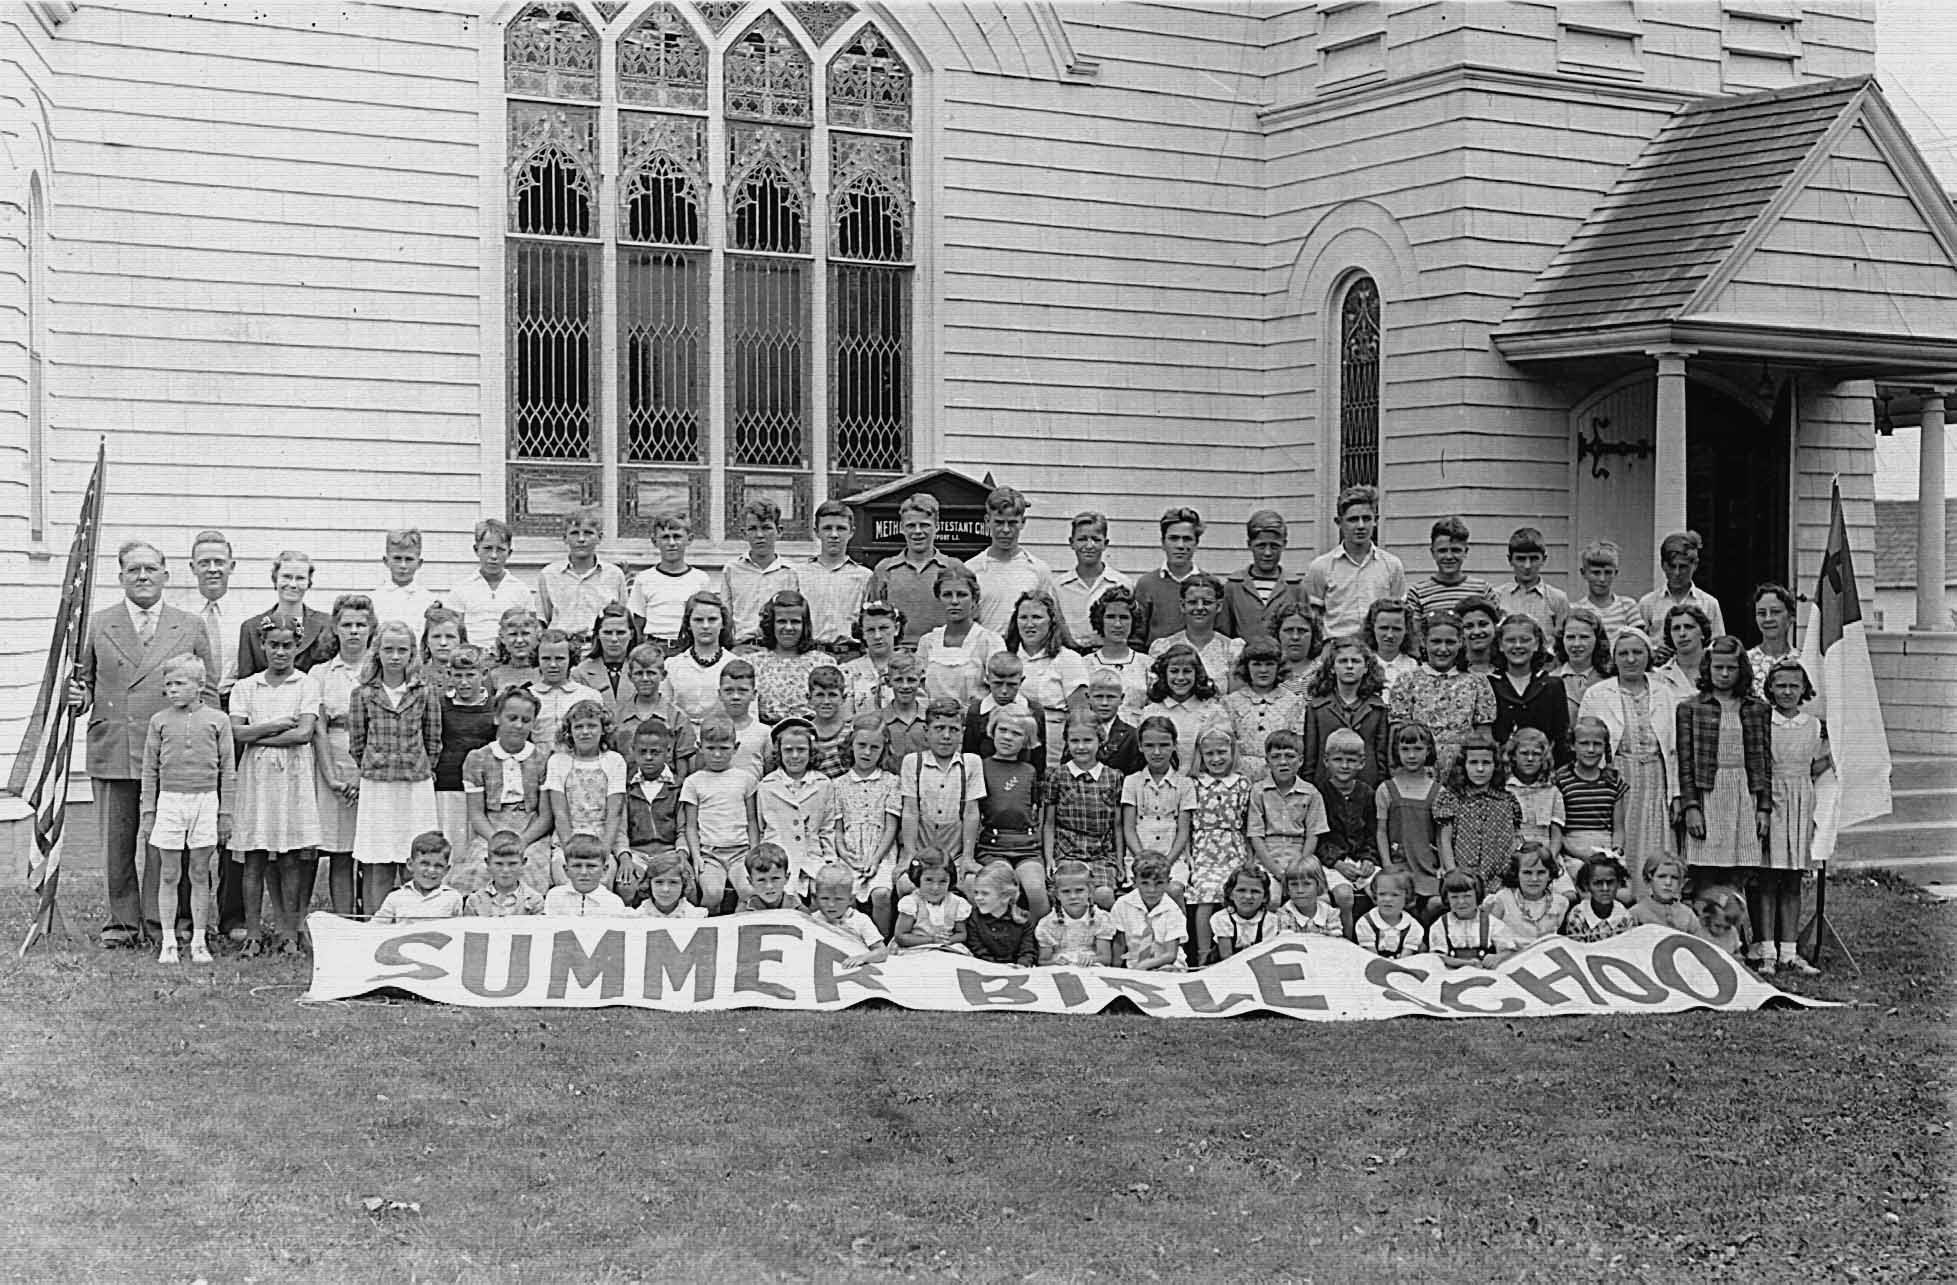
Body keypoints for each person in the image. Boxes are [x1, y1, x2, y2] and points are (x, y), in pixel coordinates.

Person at [73, 539, 219, 948]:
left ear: (165, 575)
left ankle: (163, 923)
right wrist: (79, 697)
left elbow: (208, 693)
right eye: (133, 570)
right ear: (120, 577)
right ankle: (121, 925)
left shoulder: (189, 625)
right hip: (115, 747)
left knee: (166, 841)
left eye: (150, 569)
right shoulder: (98, 623)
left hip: (172, 753)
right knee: (117, 845)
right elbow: (85, 683)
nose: (142, 576)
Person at [229, 619, 323, 956]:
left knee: (290, 857)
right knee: (254, 857)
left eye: (287, 645)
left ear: (297, 647)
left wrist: (258, 735)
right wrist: (277, 725)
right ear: (263, 646)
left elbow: (304, 734)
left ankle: (288, 932)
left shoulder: (306, 684)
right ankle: (253, 933)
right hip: (256, 777)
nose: (280, 652)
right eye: (273, 645)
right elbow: (237, 733)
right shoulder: (246, 687)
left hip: (293, 777)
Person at [139, 655, 234, 964]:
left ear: (200, 685)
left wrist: (225, 813)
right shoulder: (159, 721)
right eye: (168, 684)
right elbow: (149, 770)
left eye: (179, 683)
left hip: (205, 800)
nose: (172, 690)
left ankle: (199, 940)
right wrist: (149, 812)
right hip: (170, 800)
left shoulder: (218, 720)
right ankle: (168, 940)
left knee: (199, 871)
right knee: (169, 872)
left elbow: (228, 770)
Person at [347, 619, 443, 907]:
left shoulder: (423, 691)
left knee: (415, 855)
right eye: (388, 649)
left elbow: (433, 737)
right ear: (377, 652)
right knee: (378, 860)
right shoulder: (363, 693)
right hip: (378, 785)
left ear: (412, 653)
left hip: (415, 785)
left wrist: (421, 765)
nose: (395, 656)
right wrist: (375, 763)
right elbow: (357, 741)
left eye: (402, 650)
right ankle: (377, 921)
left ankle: (414, 918)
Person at [1675, 637, 1772, 911]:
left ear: (1742, 670)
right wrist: (1691, 806)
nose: (1725, 674)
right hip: (1709, 793)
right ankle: (1705, 927)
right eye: (1719, 667)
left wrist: (1763, 808)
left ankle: (1733, 929)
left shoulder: (1756, 709)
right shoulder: (1691, 708)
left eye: (1732, 668)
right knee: (1705, 873)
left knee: (1738, 873)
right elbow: (1685, 763)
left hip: (1743, 793)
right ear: (1708, 669)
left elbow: (1764, 761)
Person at [1579, 627, 1680, 875]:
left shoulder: (1665, 693)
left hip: (1656, 779)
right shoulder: (1597, 694)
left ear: (1648, 655)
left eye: (1637, 652)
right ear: (1614, 658)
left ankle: (1652, 893)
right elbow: (1584, 741)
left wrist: (1677, 794)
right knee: (1621, 839)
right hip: (1618, 776)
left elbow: (1675, 747)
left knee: (1656, 842)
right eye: (1623, 653)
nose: (1631, 659)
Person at [1761, 657, 1832, 976]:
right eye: (1781, 685)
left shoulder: (1813, 725)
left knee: (1792, 879)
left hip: (1801, 801)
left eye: (1794, 686)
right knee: (1767, 879)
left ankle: (1789, 951)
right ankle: (1766, 950)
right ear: (1770, 688)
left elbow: (1813, 766)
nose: (1787, 692)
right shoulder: (1764, 721)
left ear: (1804, 689)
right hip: (1771, 800)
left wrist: (1835, 757)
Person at [313, 594, 374, 915]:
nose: (353, 631)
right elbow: (318, 729)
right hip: (334, 764)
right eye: (347, 624)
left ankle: (373, 919)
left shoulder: (380, 671)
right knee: (340, 852)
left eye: (361, 625)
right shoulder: (320, 674)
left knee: (374, 853)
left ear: (371, 629)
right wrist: (332, 777)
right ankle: (344, 921)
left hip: (374, 765)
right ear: (335, 628)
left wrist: (366, 775)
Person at [461, 687, 553, 893]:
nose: (518, 725)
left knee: (530, 867)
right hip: (491, 829)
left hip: (530, 829)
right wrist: (496, 840)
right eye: (512, 718)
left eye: (526, 720)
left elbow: (545, 816)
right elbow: (476, 813)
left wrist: (523, 841)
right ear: (497, 718)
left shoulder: (543, 759)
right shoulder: (478, 758)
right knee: (481, 866)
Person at [1386, 609, 1494, 779]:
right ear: (1424, 641)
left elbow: (1483, 737)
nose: (1443, 649)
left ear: (1460, 642)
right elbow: (1397, 736)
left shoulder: (1477, 682)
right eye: (1436, 641)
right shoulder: (1406, 681)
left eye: (1450, 642)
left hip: (1464, 774)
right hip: (1419, 773)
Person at [1043, 712, 1126, 911]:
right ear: (1066, 742)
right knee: (1069, 898)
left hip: (1100, 856)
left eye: (1087, 740)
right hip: (1067, 854)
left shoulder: (1113, 777)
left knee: (1104, 896)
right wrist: (1049, 859)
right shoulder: (1058, 776)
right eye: (1074, 741)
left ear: (1100, 740)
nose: (1081, 747)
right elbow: (1049, 823)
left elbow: (1117, 825)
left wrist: (1119, 861)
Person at [1302, 484, 1406, 639]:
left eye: (1366, 519)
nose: (1361, 526)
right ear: (1339, 522)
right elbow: (1314, 617)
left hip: (1376, 646)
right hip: (1336, 646)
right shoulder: (1321, 566)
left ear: (1376, 520)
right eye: (1353, 520)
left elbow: (1399, 613)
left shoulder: (1391, 565)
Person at [679, 715, 761, 911]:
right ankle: (708, 924)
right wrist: (696, 856)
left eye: (724, 748)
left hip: (740, 852)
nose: (717, 754)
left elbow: (752, 820)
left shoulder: (746, 779)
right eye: (710, 748)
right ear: (699, 747)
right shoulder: (693, 782)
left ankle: (739, 922)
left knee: (749, 891)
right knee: (712, 892)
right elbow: (691, 826)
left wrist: (754, 851)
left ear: (736, 747)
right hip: (710, 854)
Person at [831, 712, 901, 939]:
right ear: (851, 745)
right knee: (845, 894)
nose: (867, 752)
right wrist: (845, 854)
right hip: (850, 852)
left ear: (883, 750)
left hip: (881, 852)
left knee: (881, 894)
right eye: (861, 745)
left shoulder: (891, 782)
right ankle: (850, 941)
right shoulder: (838, 784)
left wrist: (876, 858)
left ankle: (881, 942)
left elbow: (890, 827)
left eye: (874, 747)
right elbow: (837, 829)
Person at [1186, 727, 1251, 966]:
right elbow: (1186, 825)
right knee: (1205, 891)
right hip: (1203, 849)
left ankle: (1235, 952)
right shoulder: (1195, 783)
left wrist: (1249, 856)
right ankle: (1203, 954)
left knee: (1232, 890)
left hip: (1233, 847)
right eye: (1209, 753)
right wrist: (1188, 855)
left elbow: (1247, 824)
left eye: (1222, 752)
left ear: (1232, 752)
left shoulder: (1242, 783)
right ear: (1201, 755)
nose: (1216, 759)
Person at [545, 699, 628, 881]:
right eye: (578, 727)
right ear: (569, 731)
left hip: (602, 839)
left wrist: (604, 851)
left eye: (591, 726)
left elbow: (614, 814)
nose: (585, 732)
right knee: (564, 877)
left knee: (604, 879)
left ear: (603, 729)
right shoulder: (558, 761)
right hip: (568, 839)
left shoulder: (614, 761)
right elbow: (560, 813)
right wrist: (570, 851)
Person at [756, 716, 838, 896]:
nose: (795, 756)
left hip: (813, 858)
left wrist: (830, 862)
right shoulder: (767, 786)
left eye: (801, 750)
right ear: (779, 752)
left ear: (811, 751)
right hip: (778, 862)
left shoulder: (823, 784)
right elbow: (762, 829)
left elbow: (827, 828)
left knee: (824, 894)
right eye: (788, 750)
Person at [1377, 722, 1449, 923]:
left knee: (1436, 903)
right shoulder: (1386, 789)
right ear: (1396, 751)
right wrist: (1387, 864)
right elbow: (1381, 831)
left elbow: (1441, 834)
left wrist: (1444, 865)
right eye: (1405, 749)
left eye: (1418, 749)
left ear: (1428, 751)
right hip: (1399, 864)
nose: (1411, 755)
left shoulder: (1438, 792)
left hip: (1427, 866)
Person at [965, 485, 1058, 637]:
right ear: (987, 521)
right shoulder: (971, 569)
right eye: (999, 522)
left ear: (1023, 522)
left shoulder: (1039, 569)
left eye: (1012, 523)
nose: (1006, 530)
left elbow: (1051, 618)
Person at [975, 714, 1045, 916]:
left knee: (1035, 889)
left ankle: (1038, 934)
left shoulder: (1029, 771)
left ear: (1026, 740)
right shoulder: (981, 767)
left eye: (1016, 733)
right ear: (993, 731)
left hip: (1027, 847)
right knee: (1001, 884)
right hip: (993, 846)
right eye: (1002, 730)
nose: (1007, 737)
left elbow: (1037, 810)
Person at [1300, 635, 1390, 791]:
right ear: (1332, 668)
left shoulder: (1377, 708)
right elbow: (1310, 757)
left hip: (1367, 787)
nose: (1349, 666)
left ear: (1366, 668)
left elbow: (1381, 756)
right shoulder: (1317, 708)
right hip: (1325, 787)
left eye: (1355, 661)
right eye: (1342, 661)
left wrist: (1379, 788)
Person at [1245, 729, 1328, 894]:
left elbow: (1313, 834)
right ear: (1267, 761)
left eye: (1290, 756)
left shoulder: (1311, 793)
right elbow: (1255, 835)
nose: (1283, 762)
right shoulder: (1258, 791)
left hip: (1300, 855)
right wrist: (1276, 870)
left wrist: (1299, 866)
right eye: (1276, 757)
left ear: (1301, 760)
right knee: (1273, 897)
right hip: (1268, 858)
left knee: (1317, 898)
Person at [1313, 728, 1378, 933]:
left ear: (1362, 762)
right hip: (1332, 864)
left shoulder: (1367, 793)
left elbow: (1372, 832)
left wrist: (1368, 859)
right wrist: (1337, 863)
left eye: (1351, 760)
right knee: (1344, 896)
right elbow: (1317, 837)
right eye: (1338, 759)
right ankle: (1347, 940)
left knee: (1384, 889)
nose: (1344, 765)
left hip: (1361, 860)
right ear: (1326, 761)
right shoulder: (1319, 794)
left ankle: (1376, 938)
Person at [1121, 715, 1194, 899]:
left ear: (1174, 745)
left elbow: (1183, 831)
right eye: (1149, 745)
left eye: (1164, 745)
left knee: (1174, 889)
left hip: (1172, 858)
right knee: (1141, 893)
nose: (1157, 752)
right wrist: (1142, 859)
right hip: (1139, 857)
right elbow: (1129, 828)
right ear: (1140, 746)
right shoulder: (1132, 782)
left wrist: (1167, 862)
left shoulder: (1185, 784)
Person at [434, 645, 496, 858]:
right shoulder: (440, 705)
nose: (464, 682)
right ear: (449, 674)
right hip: (447, 788)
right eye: (458, 676)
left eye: (470, 675)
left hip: (481, 792)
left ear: (484, 674)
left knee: (476, 850)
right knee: (449, 847)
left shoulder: (494, 706)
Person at [1442, 729, 1520, 896]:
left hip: (1498, 881)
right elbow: (1445, 840)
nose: (1480, 769)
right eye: (1473, 763)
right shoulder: (1452, 799)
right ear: (1463, 765)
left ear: (1495, 766)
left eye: (1486, 763)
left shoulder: (1506, 801)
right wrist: (1452, 874)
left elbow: (1512, 842)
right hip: (1462, 879)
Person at [1008, 589, 1086, 754]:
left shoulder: (1068, 659)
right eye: (1023, 617)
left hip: (1055, 747)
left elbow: (1080, 714)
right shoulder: (1007, 657)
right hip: (1013, 744)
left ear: (1052, 621)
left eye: (1037, 617)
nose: (1029, 624)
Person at [866, 493, 950, 646]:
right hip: (897, 652)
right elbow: (873, 618)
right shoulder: (884, 569)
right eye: (911, 526)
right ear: (902, 528)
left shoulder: (952, 567)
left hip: (941, 652)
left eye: (924, 525)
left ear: (937, 526)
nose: (918, 531)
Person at [915, 565, 1005, 706]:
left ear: (974, 600)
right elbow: (918, 690)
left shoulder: (990, 641)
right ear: (939, 600)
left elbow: (1000, 690)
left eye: (962, 595)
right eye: (947, 595)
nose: (954, 601)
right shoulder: (927, 642)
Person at [1554, 716, 1628, 883]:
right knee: (1584, 880)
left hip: (1605, 848)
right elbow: (1558, 830)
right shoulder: (1560, 779)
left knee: (1622, 891)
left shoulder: (1613, 781)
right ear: (1572, 745)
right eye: (1584, 743)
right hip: (1573, 849)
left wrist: (1616, 850)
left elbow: (1618, 829)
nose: (1591, 749)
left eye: (1597, 744)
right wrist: (1580, 853)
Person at [1219, 509, 1307, 645]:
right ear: (1249, 545)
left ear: (1284, 544)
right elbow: (1224, 633)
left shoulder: (1295, 587)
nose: (1267, 553)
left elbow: (1304, 630)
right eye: (1261, 546)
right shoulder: (1234, 586)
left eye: (1274, 546)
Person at [449, 518, 538, 651]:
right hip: (471, 657)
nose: (494, 556)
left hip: (509, 655)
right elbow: (454, 631)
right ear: (476, 550)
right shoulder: (461, 589)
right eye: (487, 548)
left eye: (500, 549)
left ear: (509, 553)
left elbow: (531, 631)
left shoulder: (521, 590)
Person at [537, 505, 626, 638]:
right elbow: (543, 618)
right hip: (561, 645)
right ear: (565, 538)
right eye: (574, 533)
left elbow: (623, 616)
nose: (581, 539)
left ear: (600, 537)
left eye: (588, 533)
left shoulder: (614, 575)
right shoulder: (549, 575)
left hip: (599, 644)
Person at [1148, 574, 1243, 698]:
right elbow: (1156, 694)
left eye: (1207, 602)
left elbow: (1235, 699)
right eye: (1192, 602)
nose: (1199, 607)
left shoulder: (1232, 649)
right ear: (1183, 605)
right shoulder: (1163, 647)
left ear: (1219, 606)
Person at [1222, 637, 1303, 782]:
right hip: (1239, 777)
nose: (1263, 670)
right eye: (1256, 664)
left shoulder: (1294, 702)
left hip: (1280, 774)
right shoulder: (1230, 702)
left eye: (1269, 664)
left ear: (1279, 667)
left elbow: (1297, 745)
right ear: (1246, 667)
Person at [627, 512, 712, 648]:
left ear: (689, 539)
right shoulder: (644, 579)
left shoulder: (700, 579)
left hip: (687, 647)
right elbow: (638, 622)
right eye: (665, 537)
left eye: (677, 537)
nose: (672, 543)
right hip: (654, 646)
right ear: (655, 541)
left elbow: (705, 617)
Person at [723, 495, 800, 646]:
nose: (759, 535)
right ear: (744, 533)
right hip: (742, 646)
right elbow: (725, 615)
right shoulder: (732, 569)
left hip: (780, 648)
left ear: (779, 531)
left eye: (766, 528)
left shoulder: (791, 572)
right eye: (752, 529)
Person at [798, 499, 873, 653]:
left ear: (851, 532)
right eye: (827, 528)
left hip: (850, 653)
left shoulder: (865, 576)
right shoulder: (799, 574)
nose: (834, 535)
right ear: (816, 532)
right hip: (810, 652)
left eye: (841, 528)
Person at [1140, 642, 1224, 779]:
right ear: (1164, 674)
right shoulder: (1151, 712)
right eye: (1174, 671)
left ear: (1197, 674)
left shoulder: (1213, 712)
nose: (1180, 678)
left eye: (1187, 671)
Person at [752, 590, 835, 724]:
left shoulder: (822, 662)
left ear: (805, 625)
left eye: (795, 622)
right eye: (781, 621)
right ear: (771, 624)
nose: (789, 627)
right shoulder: (754, 663)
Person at [1131, 506, 1206, 650]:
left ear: (1196, 543)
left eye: (1187, 539)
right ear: (1163, 543)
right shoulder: (1147, 584)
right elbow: (1137, 636)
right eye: (1173, 538)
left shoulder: (1208, 585)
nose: (1180, 545)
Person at [1055, 510, 1131, 649]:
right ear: (1071, 543)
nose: (1089, 546)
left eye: (1096, 539)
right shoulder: (1059, 586)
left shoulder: (1121, 583)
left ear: (1105, 543)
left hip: (1109, 653)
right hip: (1071, 655)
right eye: (1082, 539)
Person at [186, 531, 243, 706]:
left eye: (219, 562)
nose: (212, 569)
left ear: (231, 566)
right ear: (193, 567)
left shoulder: (245, 615)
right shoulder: (181, 615)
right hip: (191, 703)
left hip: (235, 704)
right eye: (204, 563)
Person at [1405, 516, 1494, 629]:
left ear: (1465, 552)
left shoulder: (1483, 590)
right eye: (1442, 551)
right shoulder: (1417, 593)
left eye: (1456, 550)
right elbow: (1415, 634)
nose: (1449, 556)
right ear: (1433, 552)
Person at [1638, 529, 1726, 641]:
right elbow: (1639, 643)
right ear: (1663, 565)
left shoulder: (1709, 603)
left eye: (1683, 567)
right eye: (1672, 566)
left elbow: (1718, 643)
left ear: (1695, 565)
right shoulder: (1648, 603)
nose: (1677, 573)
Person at [1084, 585, 1153, 724]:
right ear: (1100, 620)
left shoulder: (1147, 664)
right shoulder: (1085, 664)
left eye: (1124, 617)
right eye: (1110, 617)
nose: (1117, 624)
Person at [525, 629, 602, 751]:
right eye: (546, 659)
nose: (553, 665)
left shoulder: (589, 695)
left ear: (571, 658)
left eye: (560, 658)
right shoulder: (527, 695)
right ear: (537, 659)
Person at [665, 592, 734, 728]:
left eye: (712, 619)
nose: (705, 626)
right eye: (698, 620)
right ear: (688, 624)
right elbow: (665, 711)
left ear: (723, 623)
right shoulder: (671, 666)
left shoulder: (734, 664)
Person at [1108, 852, 1186, 970]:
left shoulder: (1172, 910)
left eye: (1159, 883)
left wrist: (1146, 965)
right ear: (1134, 882)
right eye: (1145, 883)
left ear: (1168, 882)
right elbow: (1119, 943)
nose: (1152, 890)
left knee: (1167, 969)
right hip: (1135, 966)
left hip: (1167, 964)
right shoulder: (1122, 905)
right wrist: (1116, 970)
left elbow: (1170, 955)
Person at [1482, 842, 1570, 946]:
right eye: (1527, 872)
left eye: (1541, 872)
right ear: (1516, 874)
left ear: (1550, 874)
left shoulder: (1560, 903)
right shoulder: (1502, 899)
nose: (1534, 879)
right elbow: (1489, 938)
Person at [806, 863, 890, 967]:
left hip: (853, 968)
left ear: (851, 899)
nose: (831, 904)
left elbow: (882, 952)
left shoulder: (860, 920)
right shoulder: (812, 920)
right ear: (815, 898)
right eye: (825, 898)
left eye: (838, 899)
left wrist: (862, 958)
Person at [1429, 871, 1519, 967]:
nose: (1461, 901)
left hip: (1484, 972)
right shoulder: (1441, 925)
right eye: (1454, 897)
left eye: (1467, 896)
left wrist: (1497, 957)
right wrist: (1467, 963)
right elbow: (1438, 958)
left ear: (1477, 895)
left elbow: (1510, 951)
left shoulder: (1491, 923)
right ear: (1447, 898)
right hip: (1451, 972)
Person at [1035, 860, 1115, 967]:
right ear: (1057, 894)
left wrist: (1092, 959)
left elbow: (1105, 958)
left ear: (1090, 891)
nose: (1073, 896)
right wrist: (1055, 962)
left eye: (1079, 890)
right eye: (1066, 891)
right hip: (1061, 970)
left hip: (1091, 968)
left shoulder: (1101, 918)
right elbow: (1043, 961)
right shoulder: (1047, 924)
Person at [1505, 728, 1565, 868]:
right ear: (1513, 756)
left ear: (1543, 758)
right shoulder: (1504, 790)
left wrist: (1550, 858)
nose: (1530, 759)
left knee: (1565, 883)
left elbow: (1556, 835)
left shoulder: (1552, 792)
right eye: (1524, 753)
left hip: (1546, 857)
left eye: (1536, 754)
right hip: (1513, 857)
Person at [372, 832, 464, 923]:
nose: (431, 870)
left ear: (446, 870)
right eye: (425, 864)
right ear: (410, 864)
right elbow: (376, 927)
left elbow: (459, 928)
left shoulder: (452, 897)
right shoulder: (396, 897)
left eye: (438, 866)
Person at [1493, 526, 1569, 636]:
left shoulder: (1557, 599)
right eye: (1521, 559)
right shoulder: (1497, 596)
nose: (1527, 566)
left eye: (1534, 559)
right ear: (1510, 560)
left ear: (1544, 559)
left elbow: (1563, 638)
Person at [571, 603, 640, 717]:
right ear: (598, 634)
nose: (614, 639)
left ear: (631, 634)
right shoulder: (580, 673)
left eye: (620, 633)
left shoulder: (643, 669)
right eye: (607, 633)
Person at [963, 860, 1037, 966]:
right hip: (986, 967)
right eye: (976, 892)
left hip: (1017, 969)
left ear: (1005, 897)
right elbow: (977, 949)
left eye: (985, 893)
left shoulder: (1023, 919)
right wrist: (996, 966)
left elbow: (1027, 950)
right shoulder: (973, 919)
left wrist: (1022, 964)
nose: (978, 898)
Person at [840, 600, 904, 719]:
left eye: (884, 628)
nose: (877, 636)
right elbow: (846, 718)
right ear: (863, 633)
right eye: (870, 630)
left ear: (896, 629)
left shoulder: (909, 667)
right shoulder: (848, 671)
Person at [893, 853, 971, 950]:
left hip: (946, 947)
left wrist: (948, 940)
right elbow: (901, 937)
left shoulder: (957, 903)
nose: (935, 888)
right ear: (918, 878)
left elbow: (961, 933)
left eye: (943, 881)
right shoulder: (911, 903)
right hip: (916, 948)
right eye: (929, 880)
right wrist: (931, 940)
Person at [368, 528, 441, 629]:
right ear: (386, 561)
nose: (403, 565)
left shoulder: (430, 601)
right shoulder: (373, 600)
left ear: (419, 563)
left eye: (409, 559)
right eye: (397, 558)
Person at [1746, 583, 1807, 702]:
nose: (1768, 619)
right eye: (1762, 613)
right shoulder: (1745, 661)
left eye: (1775, 612)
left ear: (1791, 617)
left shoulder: (1803, 661)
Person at [463, 832, 546, 917]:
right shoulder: (475, 900)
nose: (505, 870)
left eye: (512, 864)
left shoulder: (534, 900)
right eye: (499, 864)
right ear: (488, 863)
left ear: (523, 863)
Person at [1554, 606, 1612, 729]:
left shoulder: (1609, 679)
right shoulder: (1551, 679)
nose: (1577, 644)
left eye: (1584, 637)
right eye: (1570, 637)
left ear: (1597, 639)